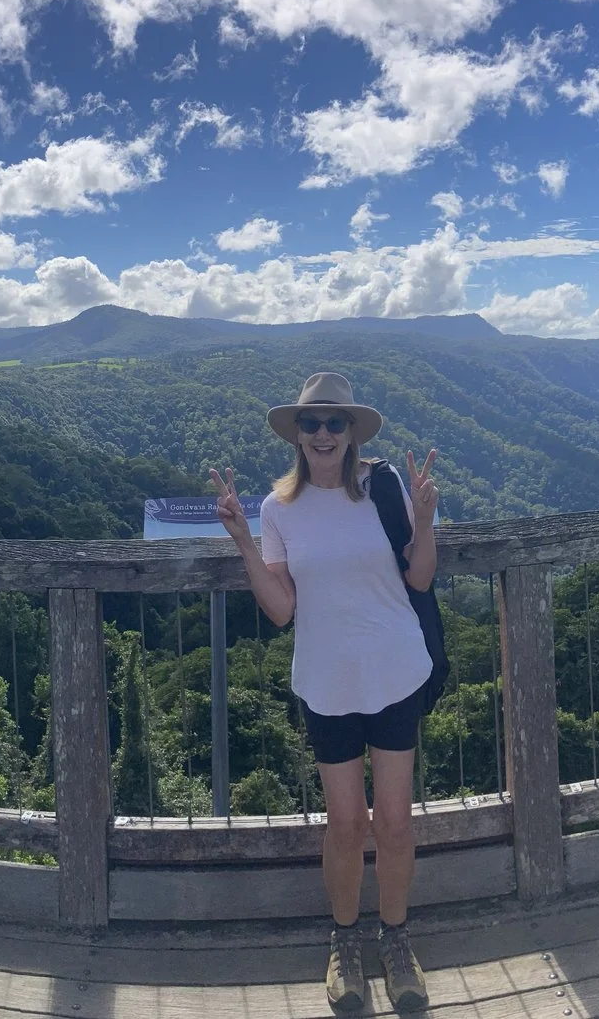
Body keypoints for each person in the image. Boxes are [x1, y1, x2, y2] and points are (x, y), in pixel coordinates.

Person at [212, 372, 439, 1013]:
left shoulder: (387, 488)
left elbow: (420, 577)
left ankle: (396, 942)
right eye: (311, 424)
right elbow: (281, 609)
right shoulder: (277, 510)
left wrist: (424, 520)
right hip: (327, 681)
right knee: (345, 824)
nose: (322, 435)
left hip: (395, 672)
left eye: (334, 424)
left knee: (393, 823)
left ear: (351, 432)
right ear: (297, 435)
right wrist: (241, 543)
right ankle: (345, 944)